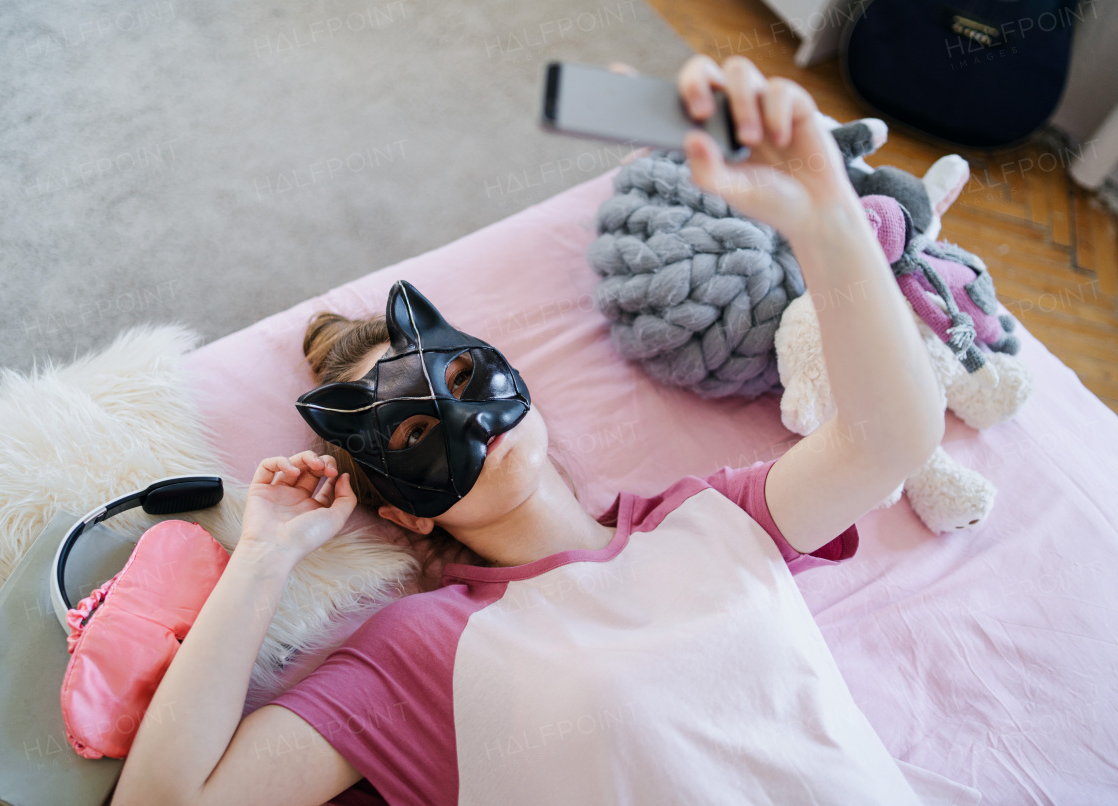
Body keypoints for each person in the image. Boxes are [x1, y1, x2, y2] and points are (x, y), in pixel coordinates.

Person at [111, 53, 945, 806]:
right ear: (406, 513)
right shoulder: (423, 651)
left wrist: (827, 218)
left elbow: (888, 442)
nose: (460, 415)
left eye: (464, 376)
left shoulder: (711, 519)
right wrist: (265, 557)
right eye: (409, 438)